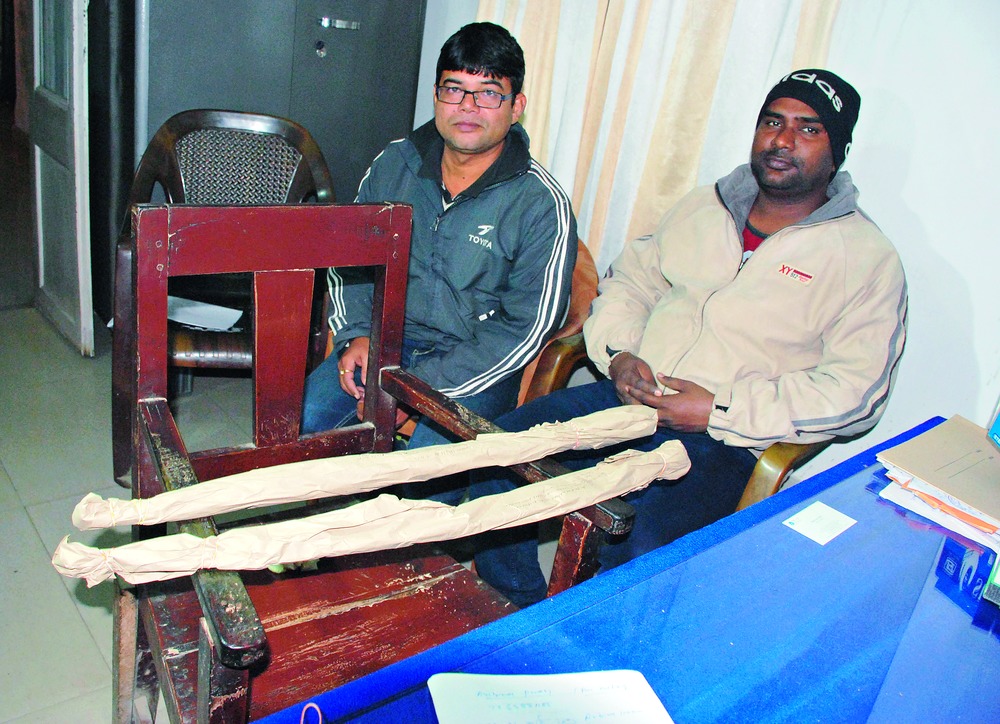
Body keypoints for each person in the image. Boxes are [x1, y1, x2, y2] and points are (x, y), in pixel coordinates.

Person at [467, 69, 908, 607]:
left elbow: (855, 393)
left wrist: (718, 410)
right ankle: (510, 609)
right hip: (627, 401)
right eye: (773, 122)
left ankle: (590, 646)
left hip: (724, 443)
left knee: (638, 547)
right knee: (497, 457)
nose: (783, 140)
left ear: (837, 152)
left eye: (808, 129)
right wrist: (620, 353)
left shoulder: (866, 258)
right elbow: (630, 281)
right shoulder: (705, 206)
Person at [301, 22, 577, 490]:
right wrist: (355, 335)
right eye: (454, 89)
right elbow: (351, 262)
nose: (467, 107)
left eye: (488, 93)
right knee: (301, 426)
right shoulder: (395, 164)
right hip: (385, 343)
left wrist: (415, 387)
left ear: (516, 108)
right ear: (436, 96)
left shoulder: (540, 203)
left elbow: (526, 327)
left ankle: (414, 536)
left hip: (477, 364)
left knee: (429, 471)